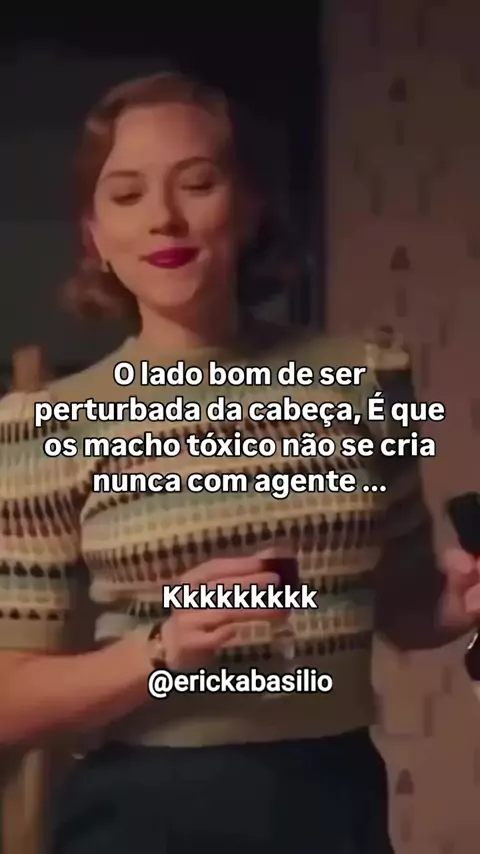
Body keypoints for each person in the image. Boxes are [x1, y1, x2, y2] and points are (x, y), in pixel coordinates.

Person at [0, 71, 478, 854]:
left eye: (198, 182)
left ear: (250, 205)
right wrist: (159, 651)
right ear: (94, 236)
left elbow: (402, 605)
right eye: (127, 195)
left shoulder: (365, 379)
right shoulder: (45, 425)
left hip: (332, 801)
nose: (163, 217)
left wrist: (451, 607)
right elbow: (10, 701)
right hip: (141, 815)